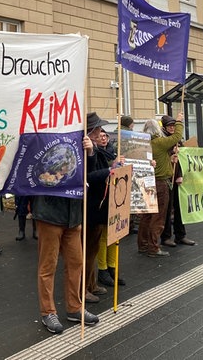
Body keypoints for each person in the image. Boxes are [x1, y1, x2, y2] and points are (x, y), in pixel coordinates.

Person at [33, 134, 100, 334]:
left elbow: (88, 174)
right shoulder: (45, 136)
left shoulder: (77, 137)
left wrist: (90, 153)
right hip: (50, 214)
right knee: (48, 266)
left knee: (76, 263)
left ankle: (74, 307)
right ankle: (48, 311)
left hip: (74, 216)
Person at [138, 112, 184, 258]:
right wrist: (179, 122)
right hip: (159, 182)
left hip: (146, 182)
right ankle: (153, 247)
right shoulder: (158, 142)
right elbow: (177, 137)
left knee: (147, 216)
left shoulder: (144, 144)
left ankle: (143, 245)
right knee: (158, 217)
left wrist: (169, 158)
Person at [85, 115, 115, 299]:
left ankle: (92, 283)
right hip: (92, 208)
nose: (100, 133)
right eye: (97, 129)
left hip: (99, 207)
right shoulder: (89, 149)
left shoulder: (98, 149)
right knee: (88, 250)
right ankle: (86, 287)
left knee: (93, 248)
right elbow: (89, 176)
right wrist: (109, 171)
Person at [93, 128, 126, 287]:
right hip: (102, 199)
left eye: (105, 135)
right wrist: (112, 166)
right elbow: (97, 173)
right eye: (100, 136)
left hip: (115, 197)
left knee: (115, 234)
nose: (103, 138)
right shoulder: (95, 154)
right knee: (104, 235)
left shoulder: (112, 152)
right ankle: (103, 269)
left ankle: (113, 267)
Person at [160, 115, 197, 246]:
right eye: (169, 126)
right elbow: (162, 158)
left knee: (179, 207)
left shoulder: (177, 140)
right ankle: (165, 237)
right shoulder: (163, 140)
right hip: (166, 179)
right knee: (167, 208)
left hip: (176, 179)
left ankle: (180, 235)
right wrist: (171, 154)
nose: (172, 128)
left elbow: (181, 160)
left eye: (174, 125)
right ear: (164, 127)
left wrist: (179, 174)